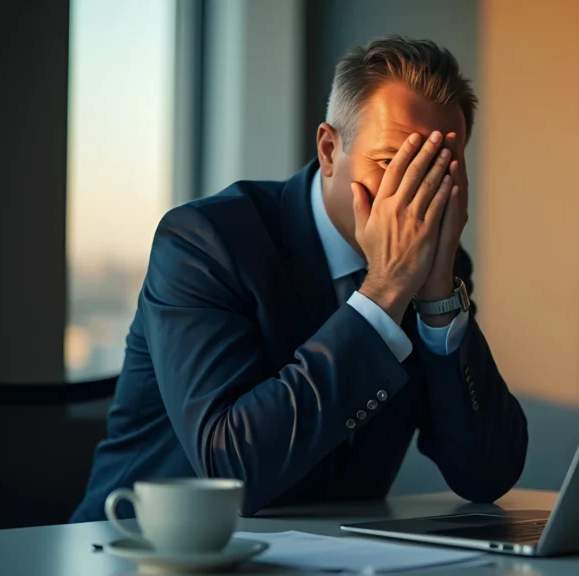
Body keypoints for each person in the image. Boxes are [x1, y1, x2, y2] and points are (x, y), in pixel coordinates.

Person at [71, 34, 528, 522]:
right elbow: (231, 468)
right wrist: (386, 290)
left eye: (437, 174)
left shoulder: (440, 269)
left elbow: (487, 475)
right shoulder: (205, 242)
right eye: (394, 164)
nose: (414, 196)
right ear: (330, 150)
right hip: (136, 550)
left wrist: (438, 300)